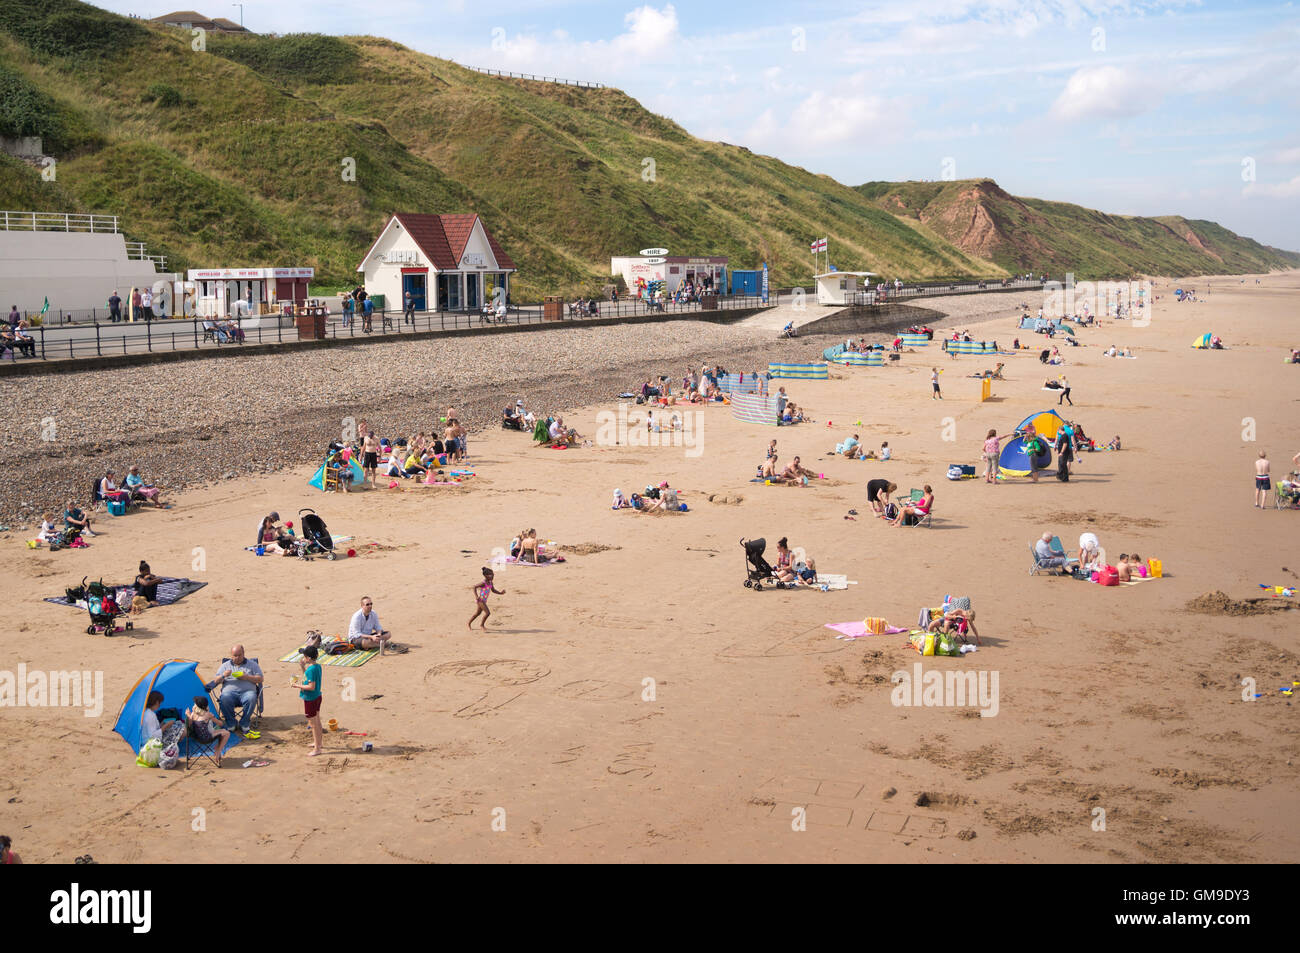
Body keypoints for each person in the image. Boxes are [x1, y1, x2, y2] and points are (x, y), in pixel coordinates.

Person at [205, 645, 264, 734]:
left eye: (239, 655)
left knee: (251, 697)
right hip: (230, 693)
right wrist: (223, 675)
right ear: (231, 655)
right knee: (224, 698)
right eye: (234, 655)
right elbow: (216, 681)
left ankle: (244, 723)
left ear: (243, 654)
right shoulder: (225, 665)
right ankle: (231, 723)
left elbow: (260, 679)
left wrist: (246, 677)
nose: (237, 658)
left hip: (247, 692)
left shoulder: (252, 664)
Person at [290, 646, 324, 757]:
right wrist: (302, 667)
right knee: (317, 721)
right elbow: (308, 677)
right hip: (317, 696)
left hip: (311, 698)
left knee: (313, 724)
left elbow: (311, 686)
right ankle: (318, 742)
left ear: (308, 658)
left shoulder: (311, 669)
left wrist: (296, 685)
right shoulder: (316, 666)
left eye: (304, 657)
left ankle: (317, 748)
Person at [185, 696, 230, 761]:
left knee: (222, 731)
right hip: (206, 738)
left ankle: (217, 747)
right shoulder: (207, 714)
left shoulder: (193, 713)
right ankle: (218, 751)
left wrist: (188, 715)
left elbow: (190, 723)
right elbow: (220, 724)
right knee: (227, 733)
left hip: (197, 736)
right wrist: (212, 717)